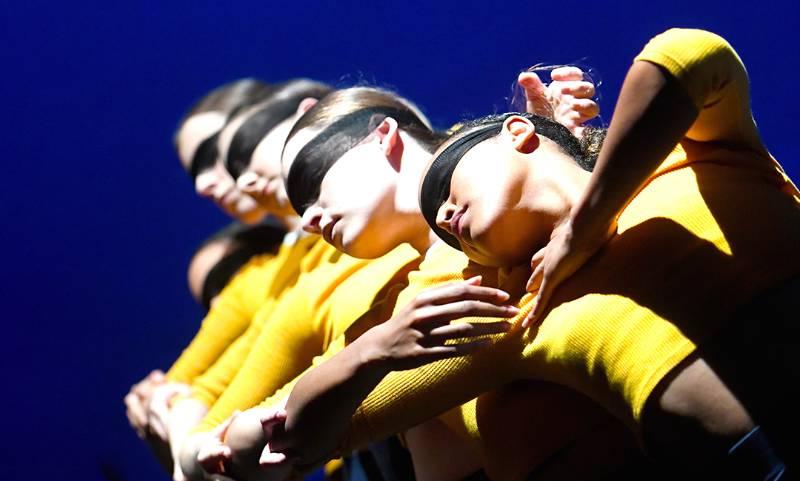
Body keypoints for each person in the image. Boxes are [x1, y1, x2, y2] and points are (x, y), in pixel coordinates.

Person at [205, 83, 652, 481]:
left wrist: (559, 149)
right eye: (300, 210)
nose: (311, 221)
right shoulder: (398, 306)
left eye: (313, 182)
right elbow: (261, 437)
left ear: (383, 136)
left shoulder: (493, 212)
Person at [418, 28, 798, 476]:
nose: (443, 216)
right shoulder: (524, 306)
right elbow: (343, 417)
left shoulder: (689, 157)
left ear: (517, 132)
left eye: (445, 182)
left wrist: (578, 205)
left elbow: (690, 56)